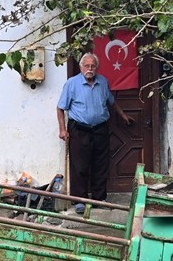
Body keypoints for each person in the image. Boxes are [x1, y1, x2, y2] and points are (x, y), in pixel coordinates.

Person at [57, 52, 133, 211]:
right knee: (80, 166)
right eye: (87, 66)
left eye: (93, 66)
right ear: (81, 67)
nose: (90, 68)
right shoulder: (71, 84)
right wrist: (62, 130)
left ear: (96, 67)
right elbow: (60, 107)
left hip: (100, 130)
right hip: (79, 130)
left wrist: (123, 115)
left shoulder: (103, 82)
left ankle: (99, 199)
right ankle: (80, 201)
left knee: (101, 165)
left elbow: (111, 101)